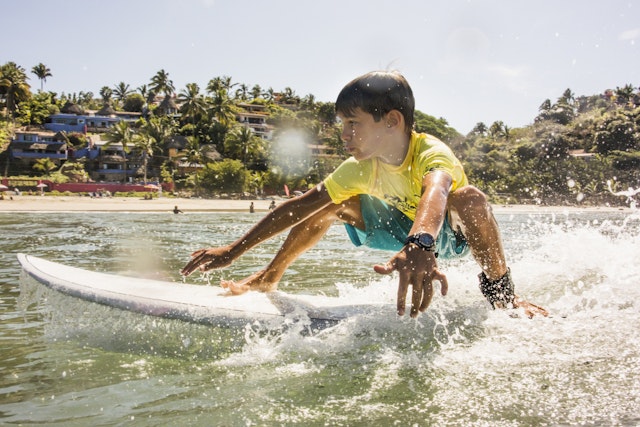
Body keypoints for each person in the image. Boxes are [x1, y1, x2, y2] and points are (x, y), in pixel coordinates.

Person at [182, 71, 548, 319]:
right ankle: (269, 276)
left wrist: (420, 244)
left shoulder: (431, 153)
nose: (344, 135)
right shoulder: (361, 166)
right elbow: (298, 206)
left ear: (392, 121)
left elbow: (436, 192)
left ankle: (503, 295)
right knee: (330, 202)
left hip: (445, 236)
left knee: (470, 198)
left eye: (353, 124)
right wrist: (233, 250)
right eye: (342, 125)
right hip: (402, 232)